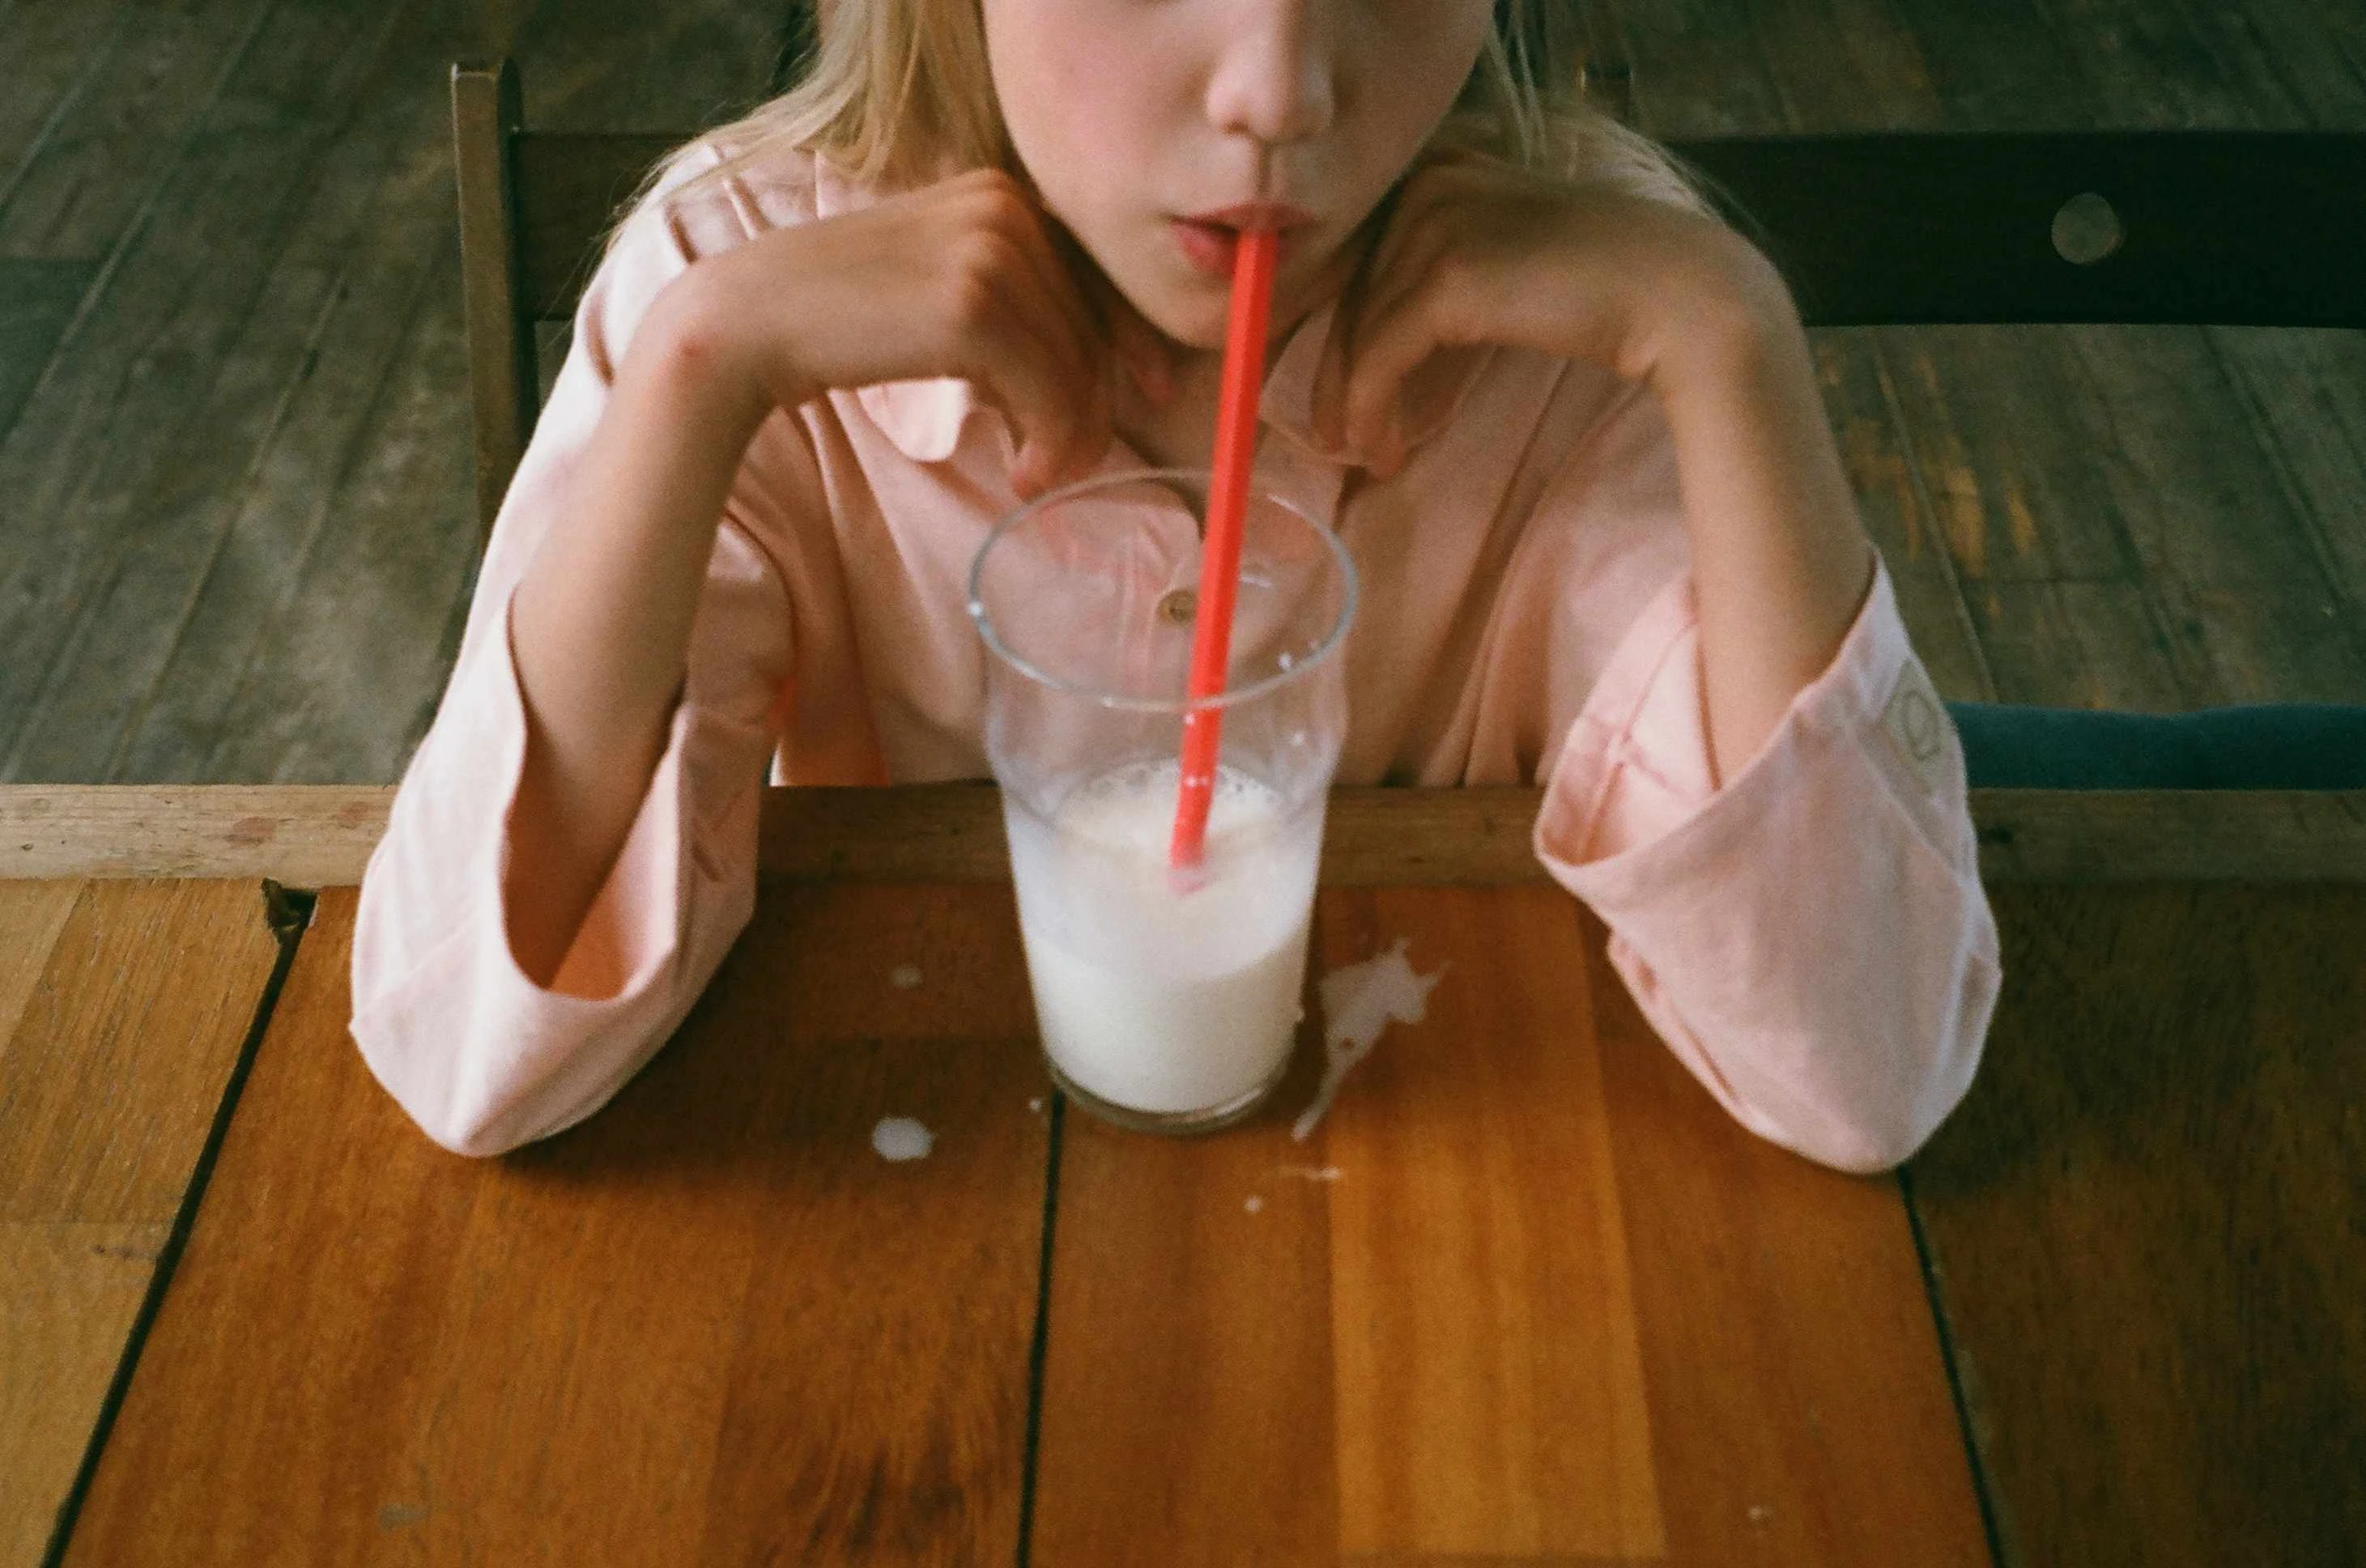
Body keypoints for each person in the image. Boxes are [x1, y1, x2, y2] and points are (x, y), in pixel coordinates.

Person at [352, 0, 1998, 1169]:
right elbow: (466, 1054)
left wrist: (1724, 334)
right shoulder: (731, 286)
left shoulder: (1595, 328)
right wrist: (701, 372)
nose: (1279, 89)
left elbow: (1866, 1065)